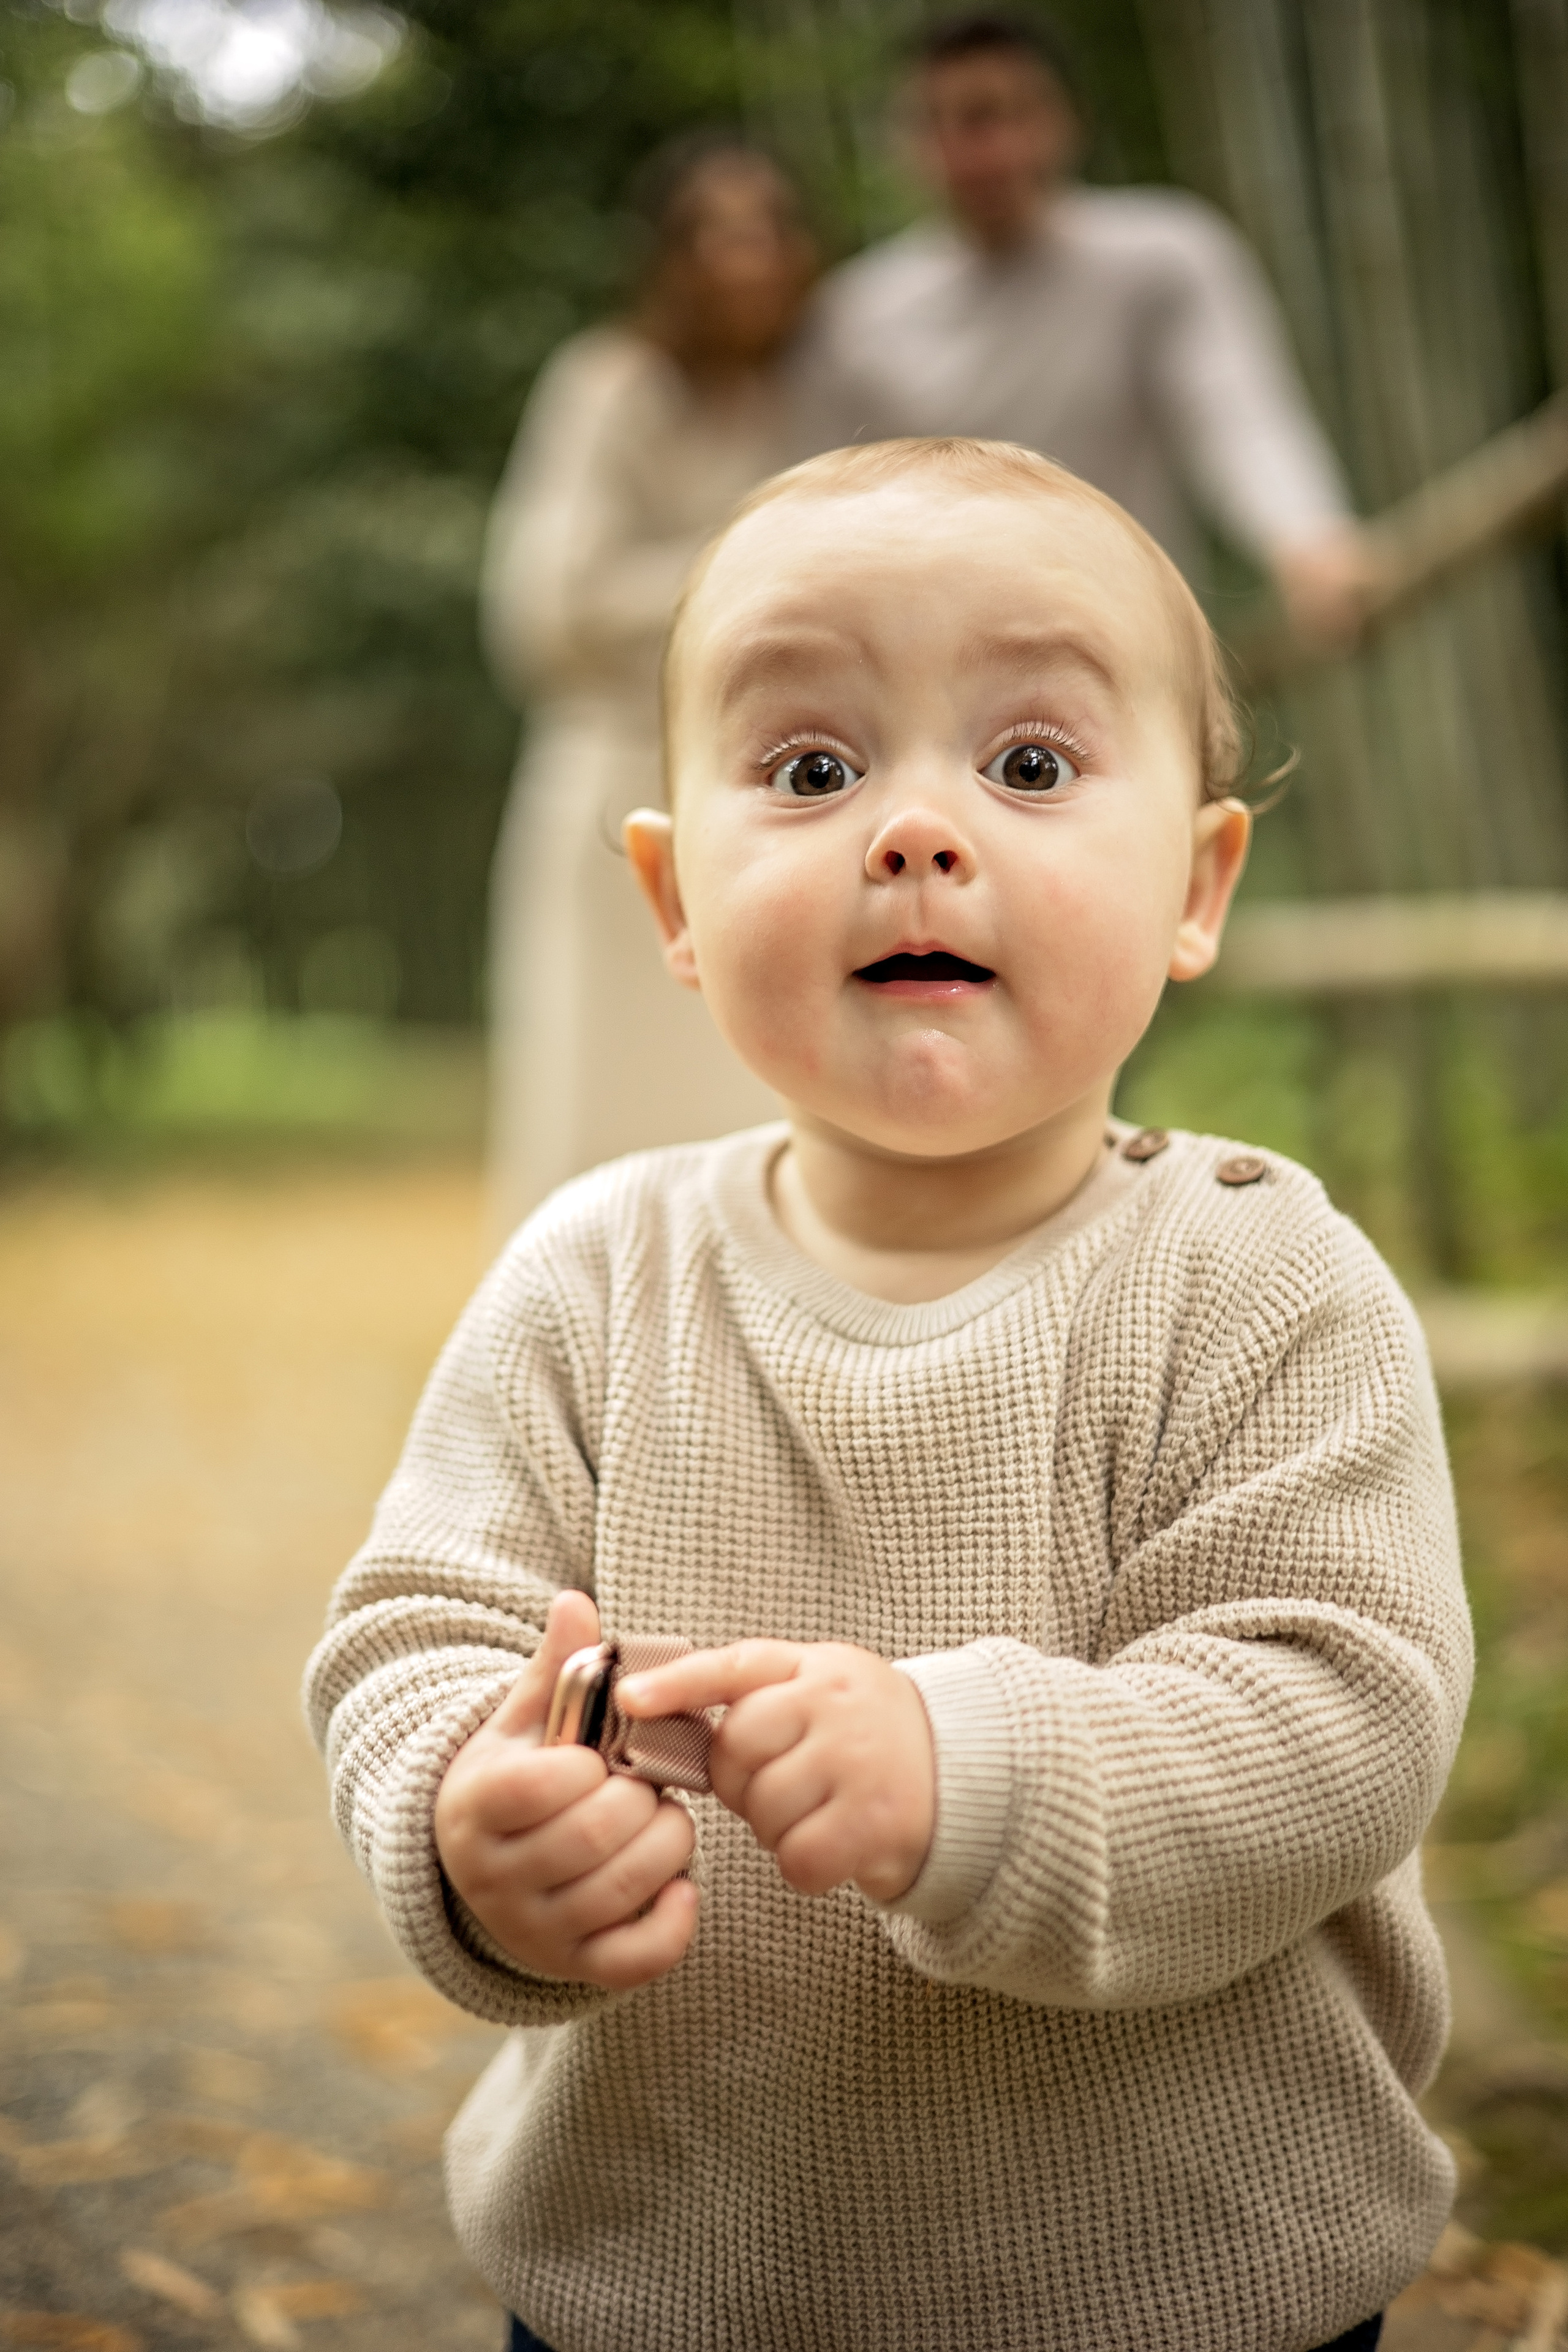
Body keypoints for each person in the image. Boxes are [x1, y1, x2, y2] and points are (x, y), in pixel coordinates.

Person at [306, 438, 1471, 2352]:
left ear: (1197, 878)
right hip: (668, 2269)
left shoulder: (1263, 1283)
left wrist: (974, 1775)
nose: (913, 833)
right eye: (812, 769)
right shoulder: (594, 1278)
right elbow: (418, 1627)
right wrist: (463, 1816)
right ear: (674, 901)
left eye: (1025, 765)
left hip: (1187, 2281)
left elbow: (1339, 1710)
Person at [792, 9, 1373, 649]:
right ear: (908, 144)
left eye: (1006, 114)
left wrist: (1309, 541)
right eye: (951, 123)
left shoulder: (1161, 256)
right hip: (940, 663)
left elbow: (1237, 413)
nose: (985, 151)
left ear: (1065, 120)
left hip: (1137, 640)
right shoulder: (855, 317)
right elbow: (833, 511)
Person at [480, 137, 815, 1239]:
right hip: (613, 787)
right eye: (713, 230)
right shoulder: (609, 385)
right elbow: (543, 608)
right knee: (595, 1100)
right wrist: (757, 567)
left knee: (756, 1104)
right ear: (667, 255)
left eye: (765, 226)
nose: (742, 256)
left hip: (773, 800)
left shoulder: (814, 395)